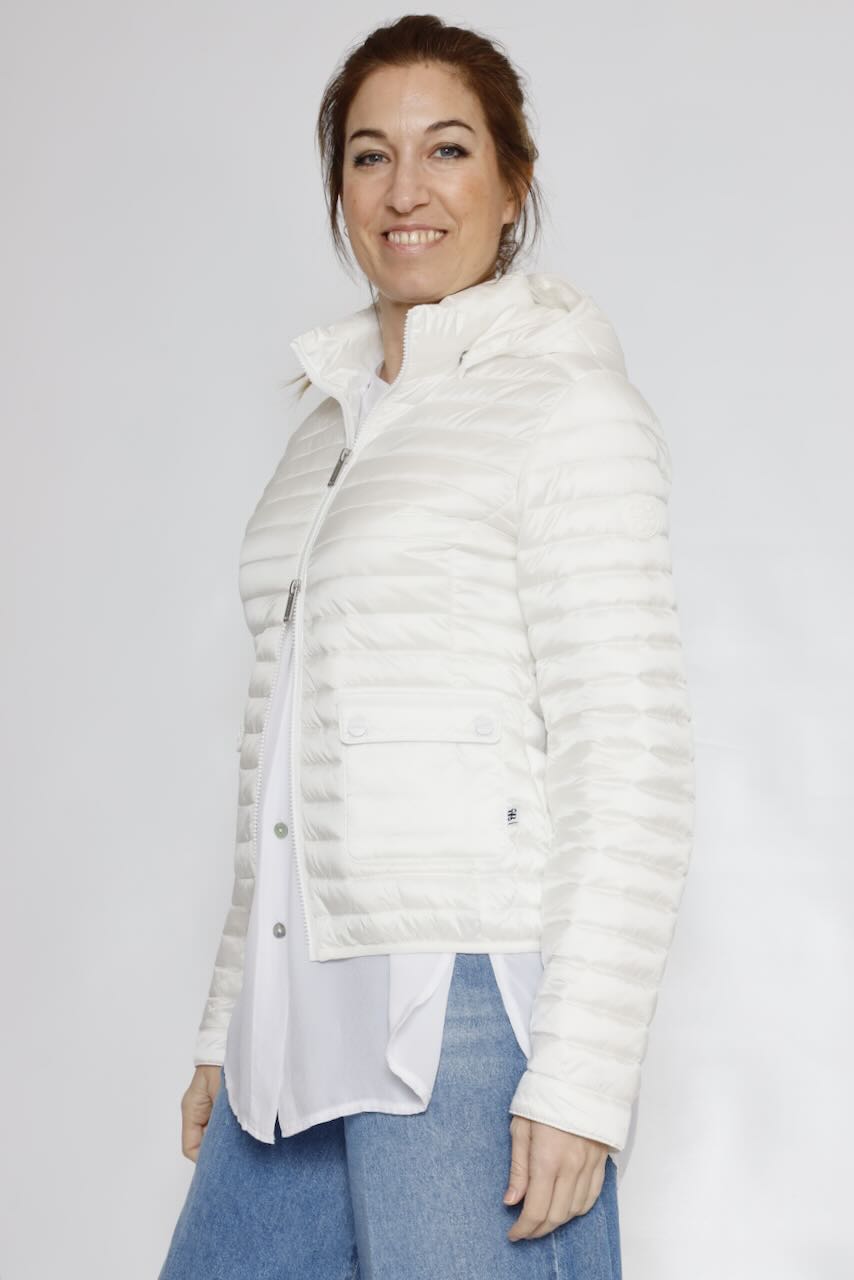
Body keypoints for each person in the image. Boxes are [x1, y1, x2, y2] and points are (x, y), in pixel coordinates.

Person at [159, 14, 695, 1279]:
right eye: (368, 155)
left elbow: (629, 751)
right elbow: (278, 750)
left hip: (461, 1002)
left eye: (447, 149)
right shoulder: (328, 430)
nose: (405, 190)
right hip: (295, 1007)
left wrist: (581, 1073)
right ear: (338, 188)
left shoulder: (565, 405)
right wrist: (229, 1014)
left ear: (511, 185)